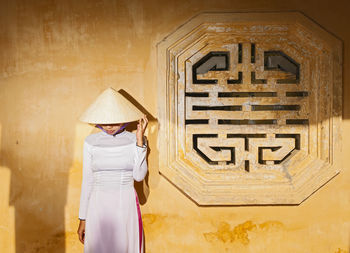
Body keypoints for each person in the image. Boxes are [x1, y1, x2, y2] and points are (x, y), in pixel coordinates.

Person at [76, 87, 148, 253]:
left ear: (124, 119)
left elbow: (139, 176)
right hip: (97, 206)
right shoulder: (90, 141)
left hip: (125, 204)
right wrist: (83, 218)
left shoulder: (135, 140)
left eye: (114, 122)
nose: (109, 126)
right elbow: (87, 181)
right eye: (104, 121)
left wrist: (139, 142)